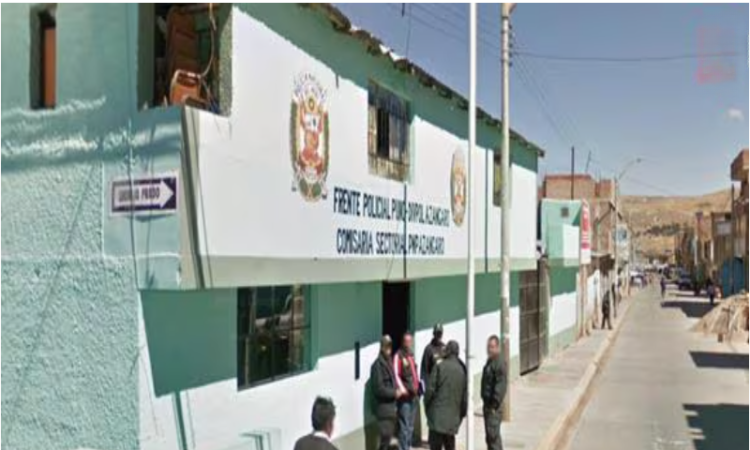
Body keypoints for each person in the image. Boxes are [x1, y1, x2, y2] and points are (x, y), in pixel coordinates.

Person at [424, 340, 467, 450]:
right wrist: (460, 417)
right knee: (450, 446)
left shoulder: (439, 366)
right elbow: (464, 399)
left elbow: (429, 391)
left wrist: (427, 410)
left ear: (448, 351)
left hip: (436, 420)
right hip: (452, 421)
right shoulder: (462, 370)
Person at [371, 335, 402, 450]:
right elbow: (378, 389)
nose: (389, 349)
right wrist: (394, 393)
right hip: (383, 411)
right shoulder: (377, 366)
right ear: (382, 347)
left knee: (388, 441)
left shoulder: (389, 362)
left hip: (391, 409)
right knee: (384, 443)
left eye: (390, 346)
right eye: (386, 346)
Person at [394, 333, 420, 450]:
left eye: (410, 341)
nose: (409, 343)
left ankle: (408, 446)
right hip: (405, 397)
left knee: (410, 425)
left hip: (414, 395)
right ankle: (403, 448)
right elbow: (396, 375)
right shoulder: (398, 356)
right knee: (404, 425)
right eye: (407, 341)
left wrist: (418, 386)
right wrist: (402, 389)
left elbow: (414, 373)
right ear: (403, 342)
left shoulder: (411, 355)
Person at [481, 335, 508, 450]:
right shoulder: (491, 361)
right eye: (488, 347)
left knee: (493, 437)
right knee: (490, 438)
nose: (489, 349)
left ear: (497, 347)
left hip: (493, 408)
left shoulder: (499, 363)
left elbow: (500, 386)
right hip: (488, 405)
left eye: (492, 347)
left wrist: (494, 405)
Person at [421, 323, 446, 390]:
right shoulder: (428, 349)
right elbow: (424, 370)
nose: (439, 335)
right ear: (433, 334)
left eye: (440, 333)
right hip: (433, 385)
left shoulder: (444, 347)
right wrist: (426, 387)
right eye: (437, 333)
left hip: (443, 384)